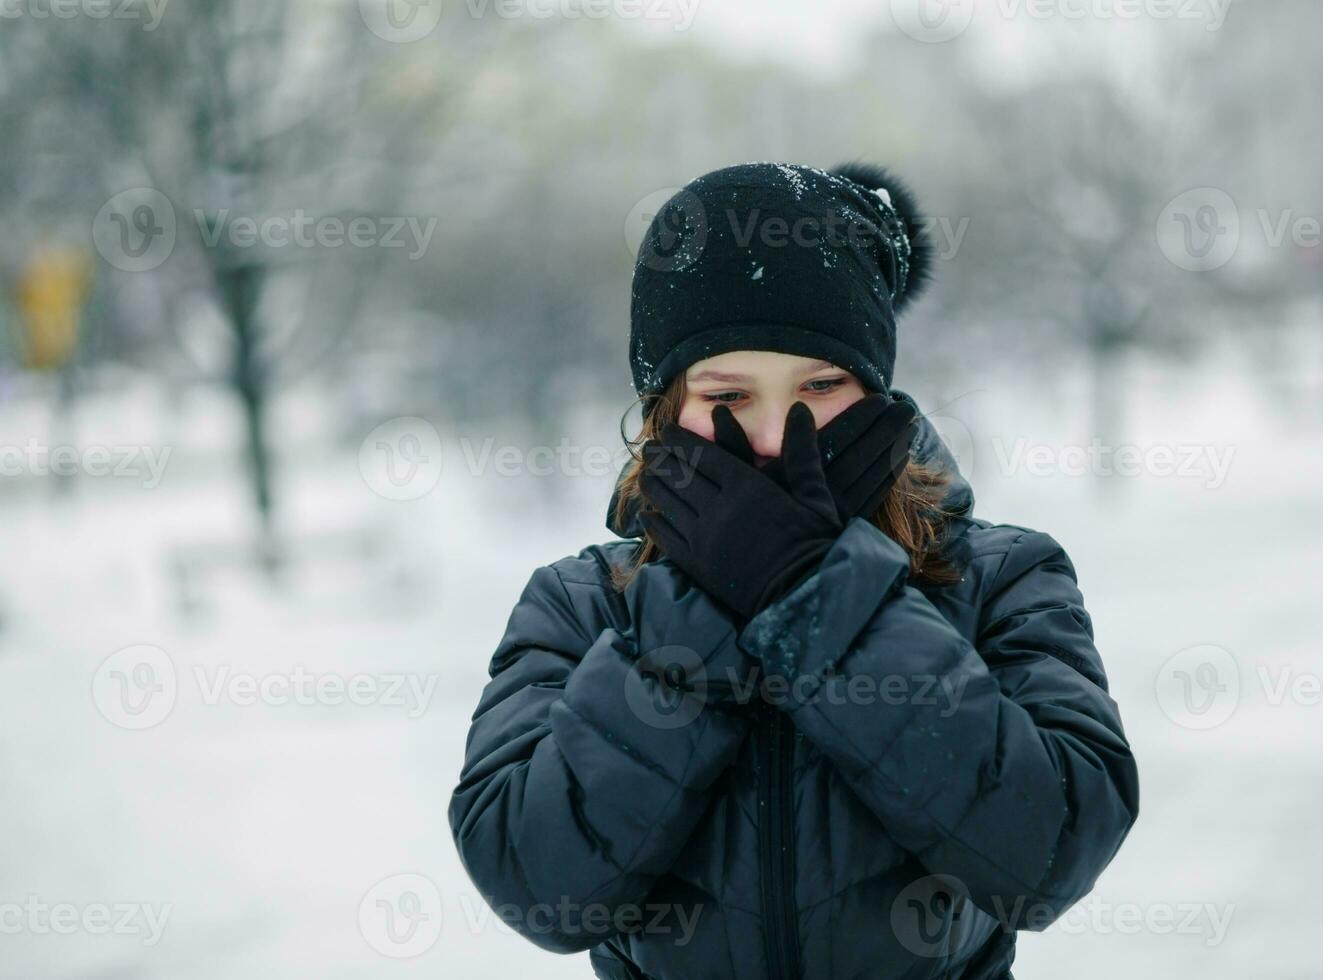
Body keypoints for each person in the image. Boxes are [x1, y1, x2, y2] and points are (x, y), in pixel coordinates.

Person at [449, 161, 1140, 979]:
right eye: (729, 396)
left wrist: (816, 594)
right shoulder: (582, 605)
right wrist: (691, 616)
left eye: (820, 385)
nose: (778, 434)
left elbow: (1052, 850)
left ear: (877, 393)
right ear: (666, 409)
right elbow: (536, 883)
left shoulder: (999, 576)